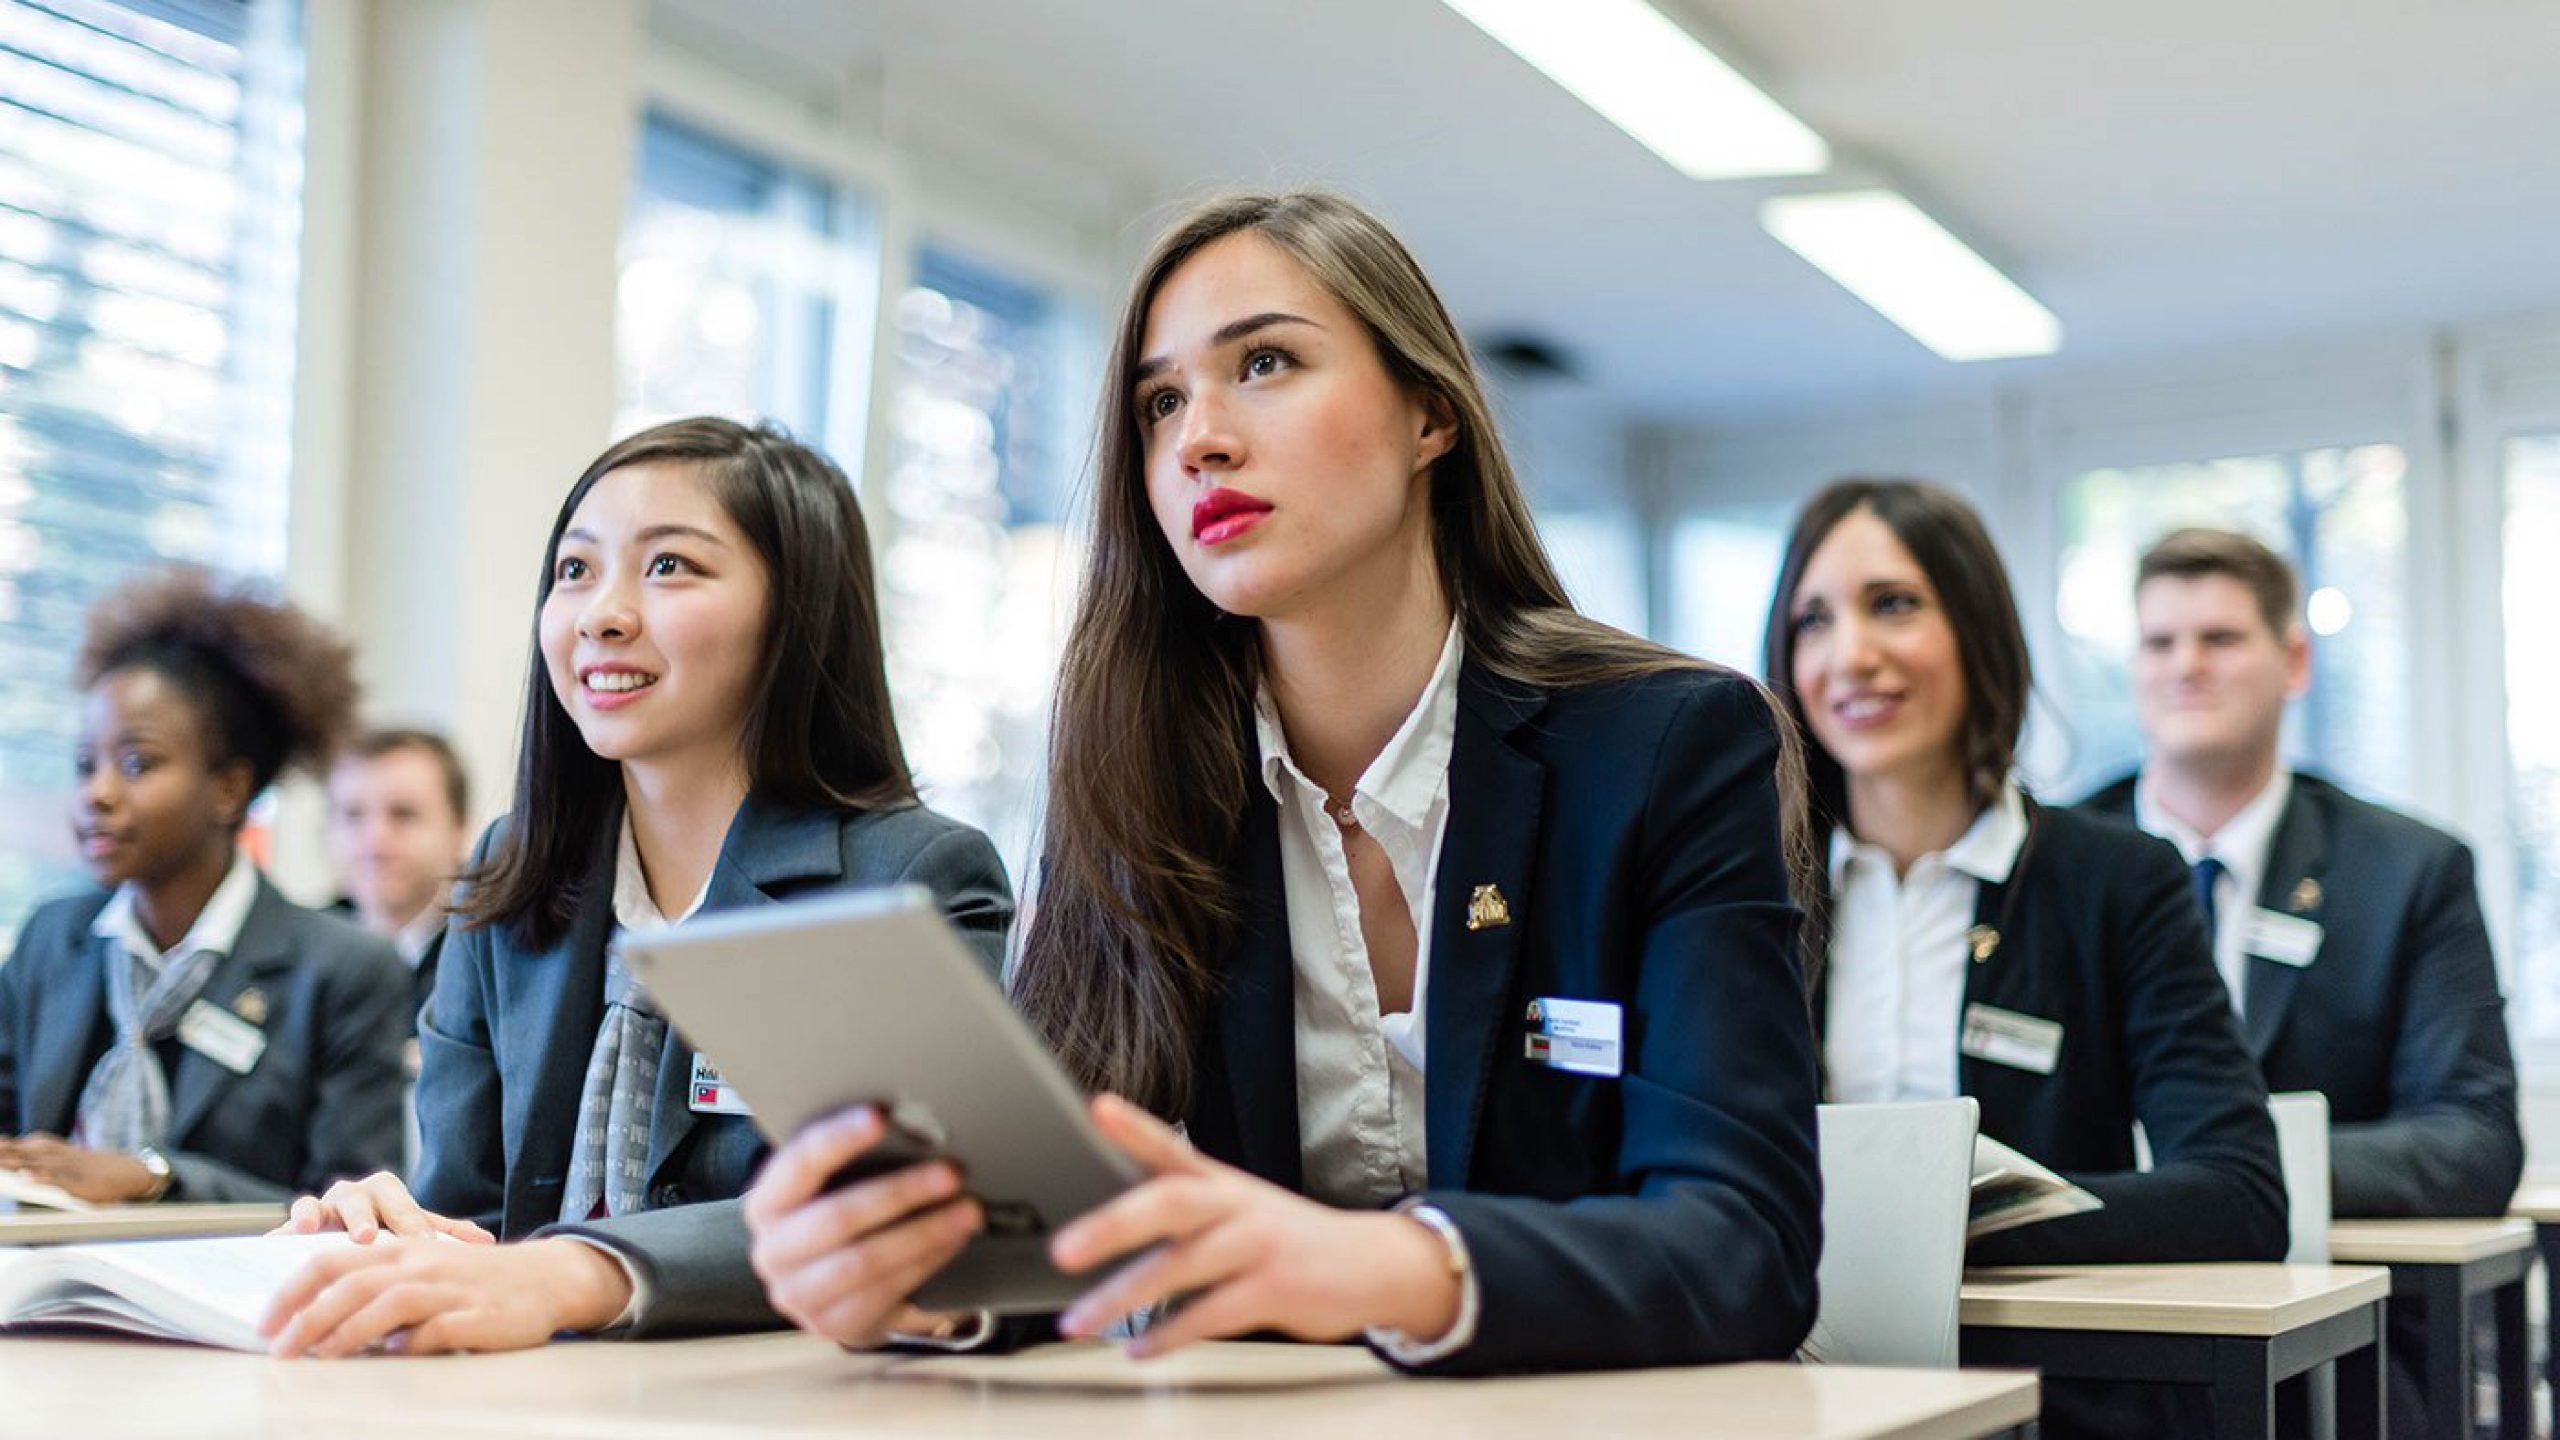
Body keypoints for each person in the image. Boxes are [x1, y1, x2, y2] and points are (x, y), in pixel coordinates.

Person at [738, 191, 1826, 1377]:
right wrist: (922, 1279)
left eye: (1264, 362)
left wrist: (1376, 1267)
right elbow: (1072, 1231)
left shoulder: (1670, 748)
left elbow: (1742, 1249)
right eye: (1160, 403)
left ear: (1429, 415)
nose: (1199, 436)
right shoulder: (1133, 778)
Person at [258, 417, 1014, 1358]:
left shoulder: (912, 878)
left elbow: (907, 1224)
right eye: (575, 570)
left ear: (797, 613)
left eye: (668, 569)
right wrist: (392, 1238)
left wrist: (587, 1267)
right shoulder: (507, 879)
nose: (601, 614)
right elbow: (472, 1221)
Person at [1764, 479, 2285, 1438]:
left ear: (1978, 629)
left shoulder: (2115, 880)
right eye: (1813, 620)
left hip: (2053, 1398)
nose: (1851, 656)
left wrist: (1931, 1231)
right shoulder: (1750, 889)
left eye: (1894, 605)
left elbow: (2238, 1194)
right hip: (1792, 1390)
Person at [2081, 527, 2521, 1437]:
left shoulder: (2408, 871)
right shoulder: (2055, 861)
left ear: (2292, 661)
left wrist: (2223, 1175)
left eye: (2220, 639)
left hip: (2329, 1329)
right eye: (2160, 643)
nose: (2185, 667)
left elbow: (2472, 1138)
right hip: (2078, 1322)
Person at [0, 568, 410, 1203]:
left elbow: (354, 1207)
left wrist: (155, 1178)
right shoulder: (54, 937)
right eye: (86, 765)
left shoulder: (344, 970)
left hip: (244, 1295)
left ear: (228, 788)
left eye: (137, 763)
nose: (97, 794)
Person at [326, 728, 472, 1025]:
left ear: (459, 829)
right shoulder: (295, 952)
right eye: (353, 815)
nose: (375, 842)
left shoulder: (484, 960)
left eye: (403, 814)